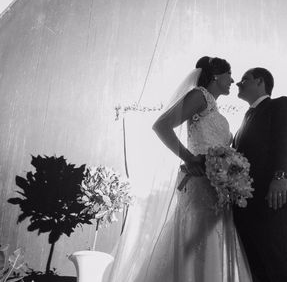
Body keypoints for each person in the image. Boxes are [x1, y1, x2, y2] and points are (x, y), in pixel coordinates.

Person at [108, 55, 252, 282]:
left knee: (209, 241)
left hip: (215, 187)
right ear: (216, 76)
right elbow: (161, 126)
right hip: (199, 184)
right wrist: (189, 158)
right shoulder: (200, 96)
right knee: (195, 238)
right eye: (229, 74)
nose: (232, 80)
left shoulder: (213, 106)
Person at [233, 67, 287, 282]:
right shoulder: (245, 119)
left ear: (260, 82)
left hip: (275, 200)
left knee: (280, 265)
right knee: (258, 269)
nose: (238, 83)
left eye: (245, 79)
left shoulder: (279, 105)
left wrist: (281, 176)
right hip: (250, 207)